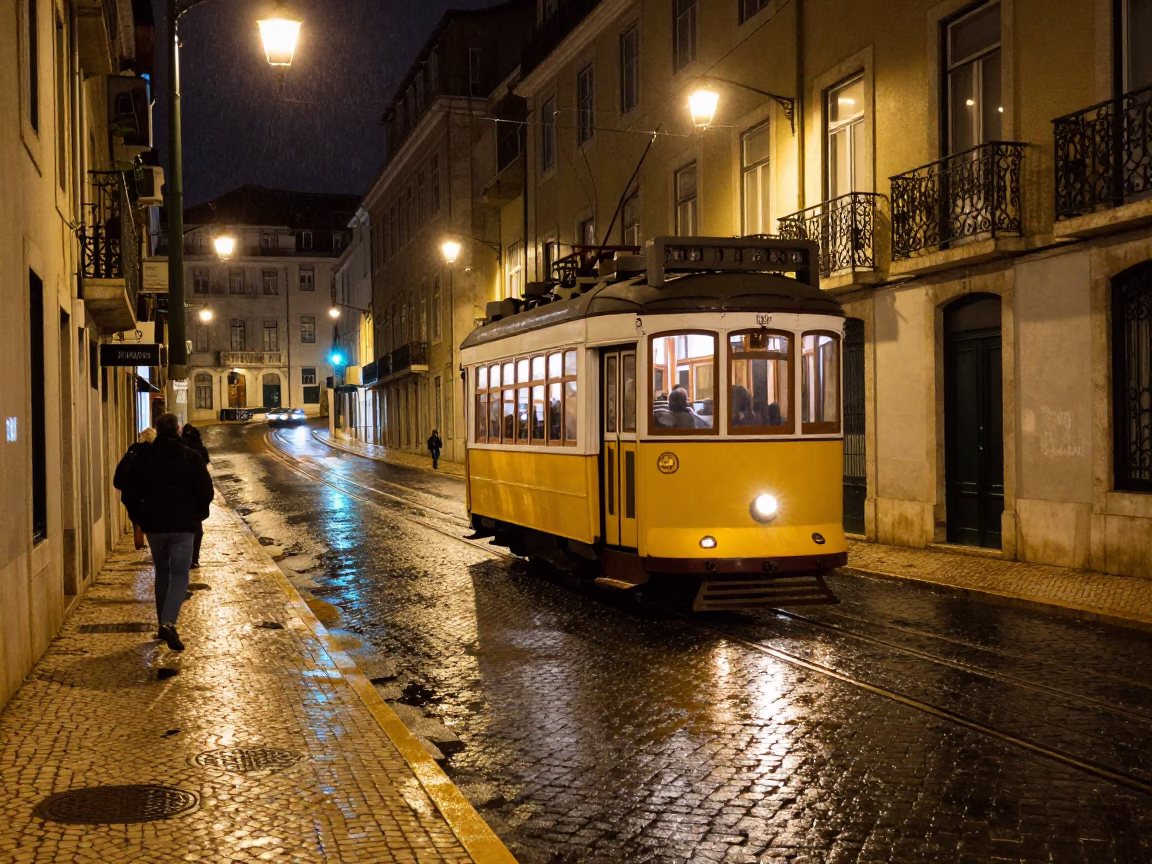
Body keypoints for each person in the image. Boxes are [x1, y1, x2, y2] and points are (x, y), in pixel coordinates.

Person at [125, 413, 213, 652]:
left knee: (162, 572)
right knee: (180, 575)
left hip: (154, 526)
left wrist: (139, 518)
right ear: (178, 429)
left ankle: (161, 625)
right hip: (183, 526)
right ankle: (167, 623)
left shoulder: (146, 456)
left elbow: (129, 487)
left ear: (157, 429)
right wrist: (197, 516)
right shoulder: (190, 456)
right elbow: (206, 491)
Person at [113, 428, 156, 550]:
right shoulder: (153, 452)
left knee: (136, 521)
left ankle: (139, 543)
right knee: (148, 519)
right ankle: (149, 545)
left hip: (129, 493)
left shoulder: (132, 450)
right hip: (146, 493)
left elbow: (120, 474)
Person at [180, 423, 211, 569]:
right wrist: (203, 508)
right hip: (193, 498)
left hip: (180, 499)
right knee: (195, 530)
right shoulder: (197, 450)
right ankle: (193, 558)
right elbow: (206, 489)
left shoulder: (183, 450)